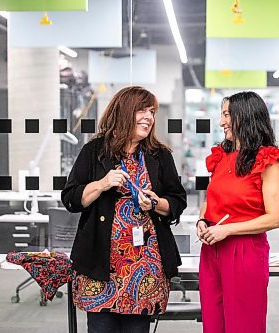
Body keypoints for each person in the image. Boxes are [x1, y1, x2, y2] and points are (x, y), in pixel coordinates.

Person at [62, 86, 187, 333]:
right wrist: (102, 184)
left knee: (137, 329)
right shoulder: (95, 151)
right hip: (100, 266)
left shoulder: (159, 155)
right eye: (141, 110)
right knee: (101, 328)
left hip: (145, 268)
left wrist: (155, 203)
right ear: (124, 112)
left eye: (151, 111)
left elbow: (177, 200)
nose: (149, 117)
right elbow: (71, 198)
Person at [196, 91, 279, 333]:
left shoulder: (268, 160)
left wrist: (227, 229)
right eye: (222, 115)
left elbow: (274, 217)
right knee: (213, 324)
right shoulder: (221, 156)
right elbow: (211, 198)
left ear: (245, 116)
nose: (221, 122)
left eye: (227, 115)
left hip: (245, 252)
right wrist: (202, 219)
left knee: (243, 325)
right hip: (212, 252)